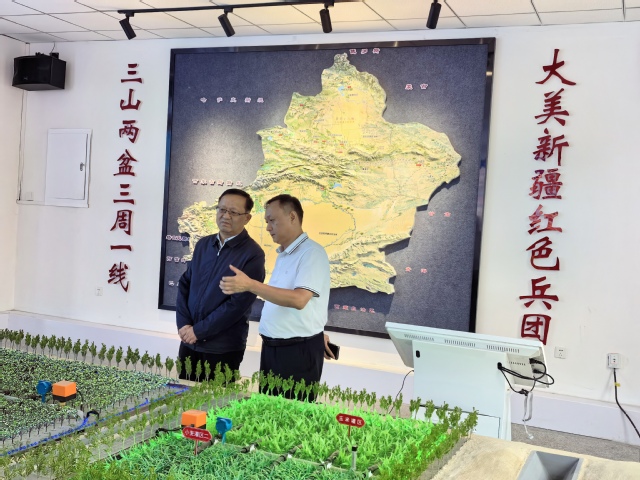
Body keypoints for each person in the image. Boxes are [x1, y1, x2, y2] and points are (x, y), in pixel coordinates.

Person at [220, 194, 335, 399]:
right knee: (269, 409)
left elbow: (299, 299)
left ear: (292, 217)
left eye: (272, 220)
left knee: (290, 414)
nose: (268, 227)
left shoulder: (312, 253)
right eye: (266, 221)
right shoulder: (285, 254)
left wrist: (251, 285)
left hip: (296, 352)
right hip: (274, 349)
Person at [176, 188, 265, 381]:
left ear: (247, 218)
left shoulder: (253, 254)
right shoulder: (203, 244)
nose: (226, 216)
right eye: (222, 209)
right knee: (182, 395)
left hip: (222, 348)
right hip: (189, 342)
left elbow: (237, 305)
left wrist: (198, 331)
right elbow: (185, 283)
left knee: (216, 398)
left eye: (233, 212)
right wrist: (184, 324)